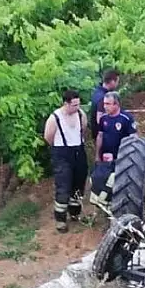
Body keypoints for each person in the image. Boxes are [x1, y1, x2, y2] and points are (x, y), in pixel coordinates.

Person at [44, 90, 89, 233]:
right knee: (63, 185)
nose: (77, 107)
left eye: (78, 104)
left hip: (78, 151)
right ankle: (61, 219)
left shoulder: (81, 114)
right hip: (62, 153)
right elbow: (48, 137)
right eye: (74, 105)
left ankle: (75, 213)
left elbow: (83, 129)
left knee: (79, 183)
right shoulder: (54, 117)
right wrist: (59, 149)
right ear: (66, 104)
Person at [95, 91, 138, 163]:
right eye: (104, 104)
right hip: (105, 157)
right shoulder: (103, 118)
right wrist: (97, 155)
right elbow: (100, 136)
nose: (105, 106)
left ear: (116, 104)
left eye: (108, 104)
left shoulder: (127, 118)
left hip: (122, 158)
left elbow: (133, 138)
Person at [88, 69, 120, 141]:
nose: (117, 84)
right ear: (112, 82)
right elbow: (100, 120)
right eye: (117, 82)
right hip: (104, 137)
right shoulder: (104, 98)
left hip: (97, 134)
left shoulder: (96, 92)